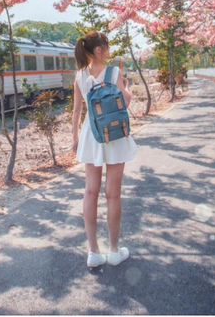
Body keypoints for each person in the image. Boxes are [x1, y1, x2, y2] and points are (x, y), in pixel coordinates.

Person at [71, 31, 139, 268]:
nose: (109, 49)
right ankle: (113, 250)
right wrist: (127, 87)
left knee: (90, 192)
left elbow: (77, 110)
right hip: (115, 134)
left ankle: (93, 252)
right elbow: (125, 101)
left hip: (92, 133)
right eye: (106, 46)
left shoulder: (79, 75)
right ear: (99, 50)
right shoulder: (114, 72)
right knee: (113, 194)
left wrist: (75, 137)